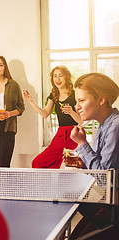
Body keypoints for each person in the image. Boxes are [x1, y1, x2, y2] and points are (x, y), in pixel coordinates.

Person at [69, 73, 119, 239]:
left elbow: (105, 179)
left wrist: (82, 144)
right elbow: (100, 171)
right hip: (109, 200)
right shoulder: (103, 125)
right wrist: (83, 163)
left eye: (82, 100)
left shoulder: (115, 126)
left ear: (101, 99)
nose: (77, 106)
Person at [22, 65, 83, 168]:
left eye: (60, 76)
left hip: (72, 133)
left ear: (66, 77)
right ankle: (50, 183)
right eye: (55, 76)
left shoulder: (74, 95)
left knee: (37, 163)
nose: (57, 79)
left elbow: (81, 121)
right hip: (61, 133)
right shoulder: (54, 94)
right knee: (53, 165)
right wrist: (30, 101)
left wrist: (71, 112)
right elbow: (45, 114)